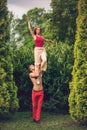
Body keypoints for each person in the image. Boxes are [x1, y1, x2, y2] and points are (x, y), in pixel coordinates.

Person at [26, 16, 53, 84]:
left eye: (39, 29)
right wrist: (29, 22)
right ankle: (38, 77)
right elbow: (30, 29)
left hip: (42, 49)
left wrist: (50, 41)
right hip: (37, 50)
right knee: (37, 64)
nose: (38, 30)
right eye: (37, 29)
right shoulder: (34, 36)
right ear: (36, 30)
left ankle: (40, 71)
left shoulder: (41, 37)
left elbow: (45, 40)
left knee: (44, 60)